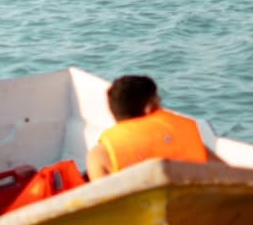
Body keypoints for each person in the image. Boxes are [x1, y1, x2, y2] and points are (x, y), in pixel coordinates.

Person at [87, 75, 220, 178]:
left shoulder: (100, 155)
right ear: (149, 109)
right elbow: (229, 174)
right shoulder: (186, 140)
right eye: (159, 101)